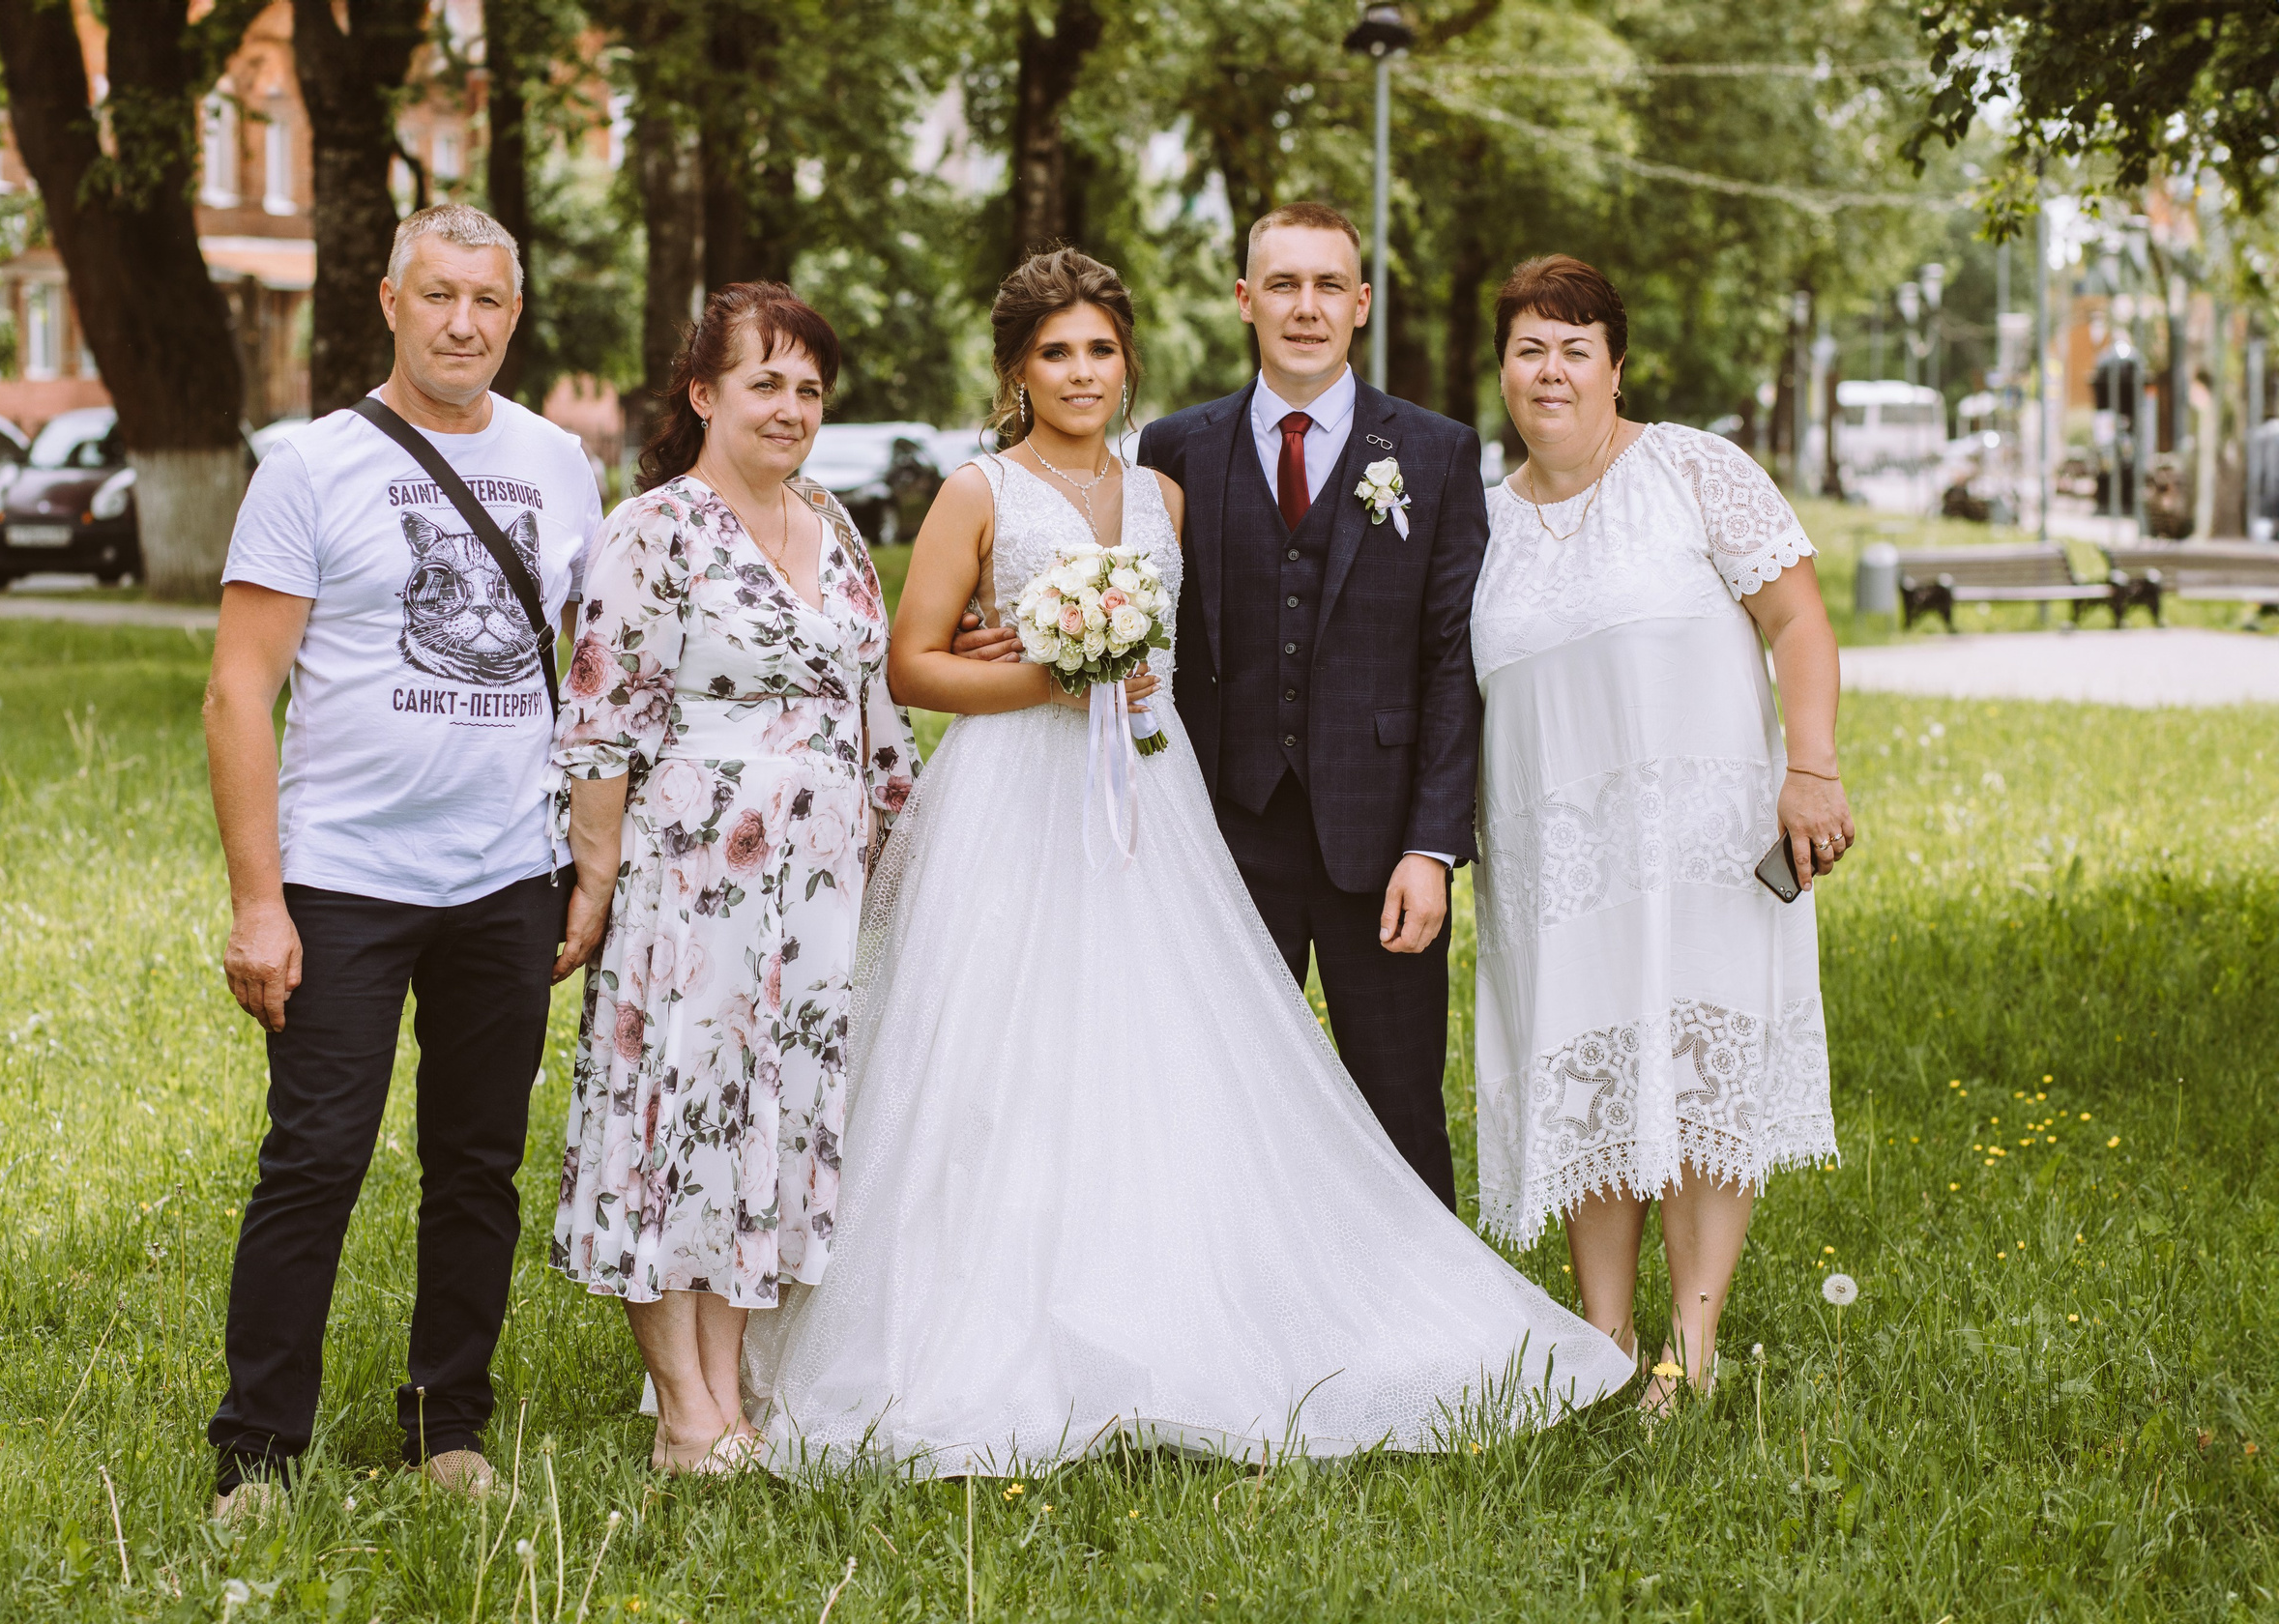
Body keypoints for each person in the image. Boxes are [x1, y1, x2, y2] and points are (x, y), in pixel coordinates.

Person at [742, 248, 1630, 1478]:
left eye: (1100, 350)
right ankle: (991, 1323)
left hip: (1155, 802)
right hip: (1017, 803)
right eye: (1055, 352)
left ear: (1128, 363)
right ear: (1016, 370)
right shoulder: (983, 489)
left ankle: (1214, 1304)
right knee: (1006, 1058)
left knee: (1170, 1055)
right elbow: (912, 663)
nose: (1080, 372)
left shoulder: (1159, 491)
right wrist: (1042, 676)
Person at [954, 202, 1485, 1211]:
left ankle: (1422, 1297)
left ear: (1361, 303)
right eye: (1282, 284)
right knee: (1215, 1102)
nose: (1305, 307)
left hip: (1379, 840)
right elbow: (1127, 602)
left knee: (1401, 1102)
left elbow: (1451, 663)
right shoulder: (1177, 450)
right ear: (1245, 300)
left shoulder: (1436, 451)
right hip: (1215, 832)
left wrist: (1431, 845)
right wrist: (1012, 639)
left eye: (1328, 285)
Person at [202, 202, 604, 1517]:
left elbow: (594, 678)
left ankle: (449, 1429)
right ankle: (258, 1451)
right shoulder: (310, 467)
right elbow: (238, 692)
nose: (462, 324)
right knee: (315, 1158)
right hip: (343, 878)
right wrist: (259, 902)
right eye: (438, 296)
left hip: (507, 874)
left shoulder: (558, 464)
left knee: (477, 1163)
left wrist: (588, 862)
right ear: (389, 302)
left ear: (515, 315)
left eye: (487, 301)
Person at [546, 282, 918, 1474]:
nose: (790, 407)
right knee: (675, 1119)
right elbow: (599, 719)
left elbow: (873, 706)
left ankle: (729, 1392)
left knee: (763, 1123)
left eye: (809, 388)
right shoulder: (652, 528)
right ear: (704, 393)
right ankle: (685, 1413)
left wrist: (901, 839)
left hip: (814, 893)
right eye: (766, 382)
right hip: (692, 878)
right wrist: (596, 877)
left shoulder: (834, 523)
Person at [1469, 255, 1848, 1413]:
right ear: (1501, 370)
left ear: (1615, 367)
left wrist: (1811, 768)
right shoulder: (1479, 523)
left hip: (1700, 844)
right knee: (1587, 1068)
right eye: (1529, 349)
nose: (1551, 371)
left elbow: (1797, 620)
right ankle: (1605, 1338)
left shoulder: (1693, 469)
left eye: (1574, 349)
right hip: (1555, 861)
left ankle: (1689, 1345)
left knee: (1693, 1071)